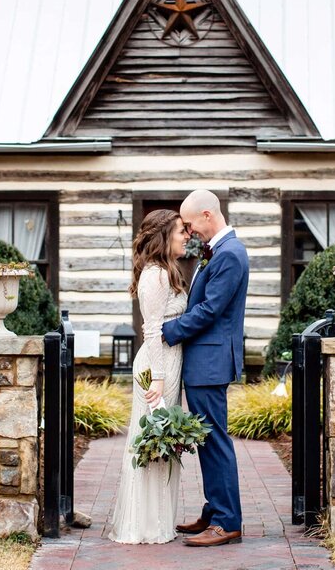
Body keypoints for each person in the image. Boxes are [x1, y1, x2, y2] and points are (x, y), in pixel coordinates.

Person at [162, 189, 249, 547]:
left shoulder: (229, 254)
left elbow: (211, 310)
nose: (189, 230)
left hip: (210, 362)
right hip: (204, 361)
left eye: (190, 223)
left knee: (215, 441)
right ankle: (214, 512)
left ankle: (227, 521)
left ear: (208, 216)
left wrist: (169, 331)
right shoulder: (218, 251)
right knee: (208, 440)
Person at [106, 209, 189, 544]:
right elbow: (152, 330)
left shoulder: (168, 271)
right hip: (157, 369)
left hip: (168, 365)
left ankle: (158, 522)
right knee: (152, 444)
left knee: (162, 446)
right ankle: (144, 525)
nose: (186, 236)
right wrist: (157, 378)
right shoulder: (154, 275)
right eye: (181, 231)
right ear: (163, 236)